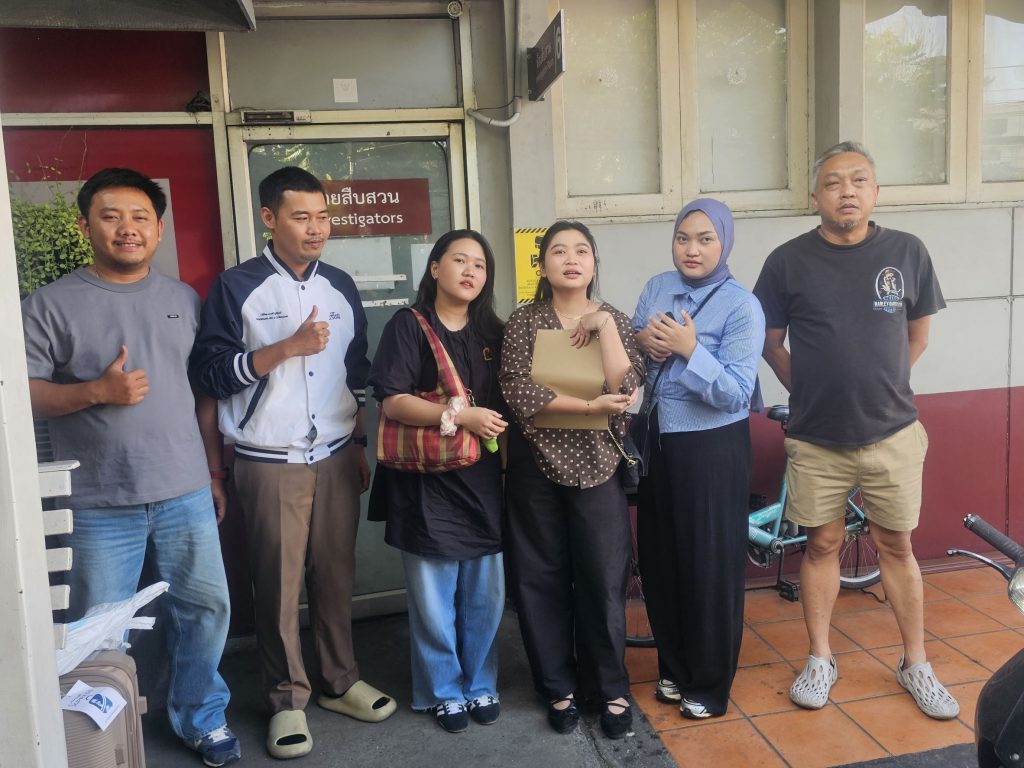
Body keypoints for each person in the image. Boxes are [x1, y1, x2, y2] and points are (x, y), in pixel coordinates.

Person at [21, 167, 240, 767]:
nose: (127, 228)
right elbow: (22, 394)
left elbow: (200, 393)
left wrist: (213, 473)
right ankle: (105, 738)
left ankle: (201, 716)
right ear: (85, 226)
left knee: (205, 611)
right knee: (99, 629)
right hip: (97, 500)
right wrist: (96, 392)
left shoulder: (183, 299)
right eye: (111, 216)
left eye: (140, 217)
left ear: (159, 229)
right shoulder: (48, 305)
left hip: (184, 490)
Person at [190, 166, 396, 760]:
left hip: (335, 454)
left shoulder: (340, 285)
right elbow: (210, 373)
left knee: (335, 574)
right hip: (268, 459)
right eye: (301, 216)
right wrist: (286, 348)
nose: (315, 228)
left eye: (323, 216)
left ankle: (339, 680)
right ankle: (286, 700)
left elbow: (355, 370)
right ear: (269, 218)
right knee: (277, 585)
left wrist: (357, 444)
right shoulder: (237, 286)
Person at [753, 141, 958, 719]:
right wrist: (808, 389)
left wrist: (883, 385)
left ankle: (915, 662)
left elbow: (918, 334)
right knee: (821, 545)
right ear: (814, 196)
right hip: (817, 438)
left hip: (893, 433)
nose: (847, 191)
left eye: (859, 180)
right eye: (834, 182)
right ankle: (820, 659)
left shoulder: (906, 251)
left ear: (875, 192)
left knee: (897, 546)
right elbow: (770, 342)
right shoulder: (787, 260)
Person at [499, 220, 644, 740]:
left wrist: (602, 326)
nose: (571, 259)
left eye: (581, 250)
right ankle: (557, 686)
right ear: (542, 265)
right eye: (558, 251)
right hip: (535, 468)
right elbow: (517, 391)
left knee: (603, 580)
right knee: (540, 578)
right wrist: (587, 406)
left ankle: (610, 688)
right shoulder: (524, 320)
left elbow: (626, 387)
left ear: (594, 262)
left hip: (599, 467)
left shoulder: (615, 318)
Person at [367, 229, 507, 734]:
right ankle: (443, 691)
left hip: (482, 482)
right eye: (460, 260)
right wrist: (459, 414)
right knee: (432, 599)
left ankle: (480, 683)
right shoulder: (409, 325)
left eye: (480, 265)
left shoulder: (493, 333)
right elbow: (392, 400)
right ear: (434, 268)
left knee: (484, 596)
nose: (470, 271)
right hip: (425, 482)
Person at [633, 198, 765, 719]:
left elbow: (736, 393)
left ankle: (708, 684)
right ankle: (673, 667)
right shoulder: (656, 288)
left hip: (712, 447)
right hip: (658, 443)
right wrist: (644, 343)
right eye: (683, 237)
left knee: (708, 564)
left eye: (706, 239)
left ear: (724, 243)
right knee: (661, 559)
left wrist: (690, 349)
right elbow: (633, 358)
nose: (692, 249)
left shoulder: (741, 305)